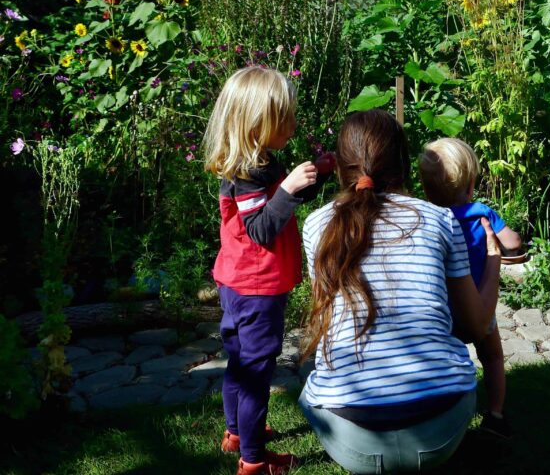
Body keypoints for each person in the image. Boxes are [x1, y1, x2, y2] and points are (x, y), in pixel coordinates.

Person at [299, 109, 502, 474]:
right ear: (403, 163)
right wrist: (493, 262)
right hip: (440, 431)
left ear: (343, 165)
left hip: (351, 441)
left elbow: (328, 317)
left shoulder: (317, 225)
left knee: (308, 393)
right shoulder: (438, 219)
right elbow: (475, 327)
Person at [203, 67, 333, 475]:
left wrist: (315, 176)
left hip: (239, 283)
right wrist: (290, 188)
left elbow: (281, 200)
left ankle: (236, 434)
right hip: (256, 290)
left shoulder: (257, 164)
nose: (293, 125)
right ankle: (254, 462)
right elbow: (261, 229)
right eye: (286, 118)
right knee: (257, 374)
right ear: (258, 123)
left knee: (239, 362)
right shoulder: (245, 177)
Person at [419, 137, 521, 439]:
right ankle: (495, 414)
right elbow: (513, 243)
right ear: (471, 183)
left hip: (442, 311)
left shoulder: (428, 217)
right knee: (492, 357)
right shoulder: (481, 213)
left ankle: (434, 409)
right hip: (479, 304)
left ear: (426, 188)